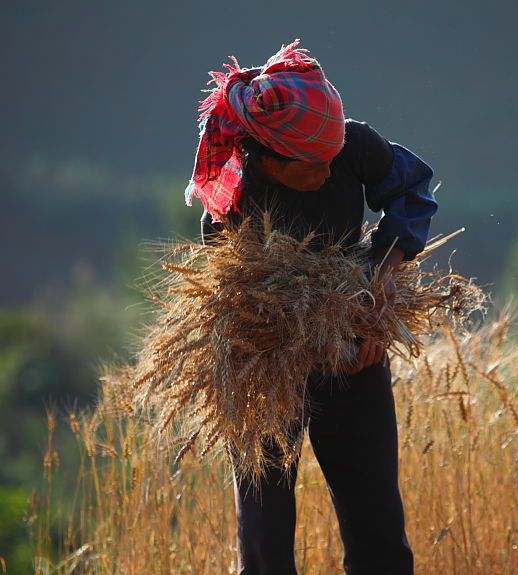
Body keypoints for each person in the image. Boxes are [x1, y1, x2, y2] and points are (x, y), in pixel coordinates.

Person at [184, 40, 437, 575]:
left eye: (332, 160)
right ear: (272, 161)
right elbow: (242, 295)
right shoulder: (235, 190)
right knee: (265, 543)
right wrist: (311, 341)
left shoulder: (348, 144)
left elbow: (413, 192)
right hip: (265, 362)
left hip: (356, 344)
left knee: (379, 535)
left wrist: (383, 279)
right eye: (312, 167)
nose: (327, 171)